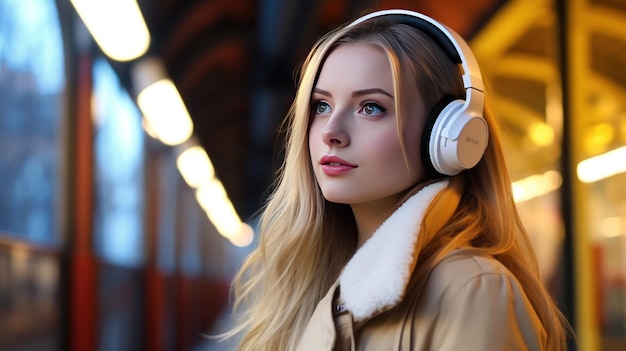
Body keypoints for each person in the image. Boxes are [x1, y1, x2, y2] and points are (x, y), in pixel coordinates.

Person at [224, 8, 572, 351]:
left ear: (448, 135)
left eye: (371, 107)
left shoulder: (475, 290)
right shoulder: (317, 281)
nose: (331, 132)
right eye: (322, 106)